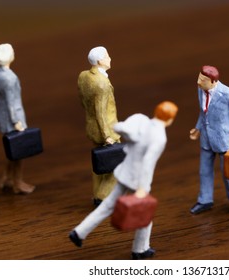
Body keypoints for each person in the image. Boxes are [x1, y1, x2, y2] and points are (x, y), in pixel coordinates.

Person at [69, 101, 178, 260]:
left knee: (106, 206)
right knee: (145, 215)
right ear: (170, 120)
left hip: (125, 172)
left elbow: (120, 127)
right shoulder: (160, 137)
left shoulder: (141, 120)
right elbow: (148, 162)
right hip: (138, 180)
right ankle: (140, 249)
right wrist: (142, 187)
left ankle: (79, 233)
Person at [189, 66, 229, 215]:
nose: (198, 82)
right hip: (206, 138)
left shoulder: (228, 94)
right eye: (199, 77)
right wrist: (198, 128)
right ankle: (205, 200)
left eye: (202, 80)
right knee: (204, 171)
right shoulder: (200, 90)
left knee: (228, 172)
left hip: (225, 140)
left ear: (213, 81)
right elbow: (203, 112)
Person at [0, 43, 35, 194]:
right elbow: (11, 102)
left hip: (0, 117)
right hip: (13, 119)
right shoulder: (10, 78)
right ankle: (17, 183)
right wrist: (17, 122)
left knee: (11, 150)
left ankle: (5, 179)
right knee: (18, 152)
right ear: (10, 57)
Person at [78, 46, 120, 206]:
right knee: (117, 165)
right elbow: (100, 112)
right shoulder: (102, 84)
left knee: (99, 164)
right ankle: (102, 198)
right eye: (108, 56)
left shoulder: (83, 76)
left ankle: (96, 193)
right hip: (106, 129)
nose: (110, 59)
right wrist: (107, 135)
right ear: (100, 60)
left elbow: (83, 101)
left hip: (91, 127)